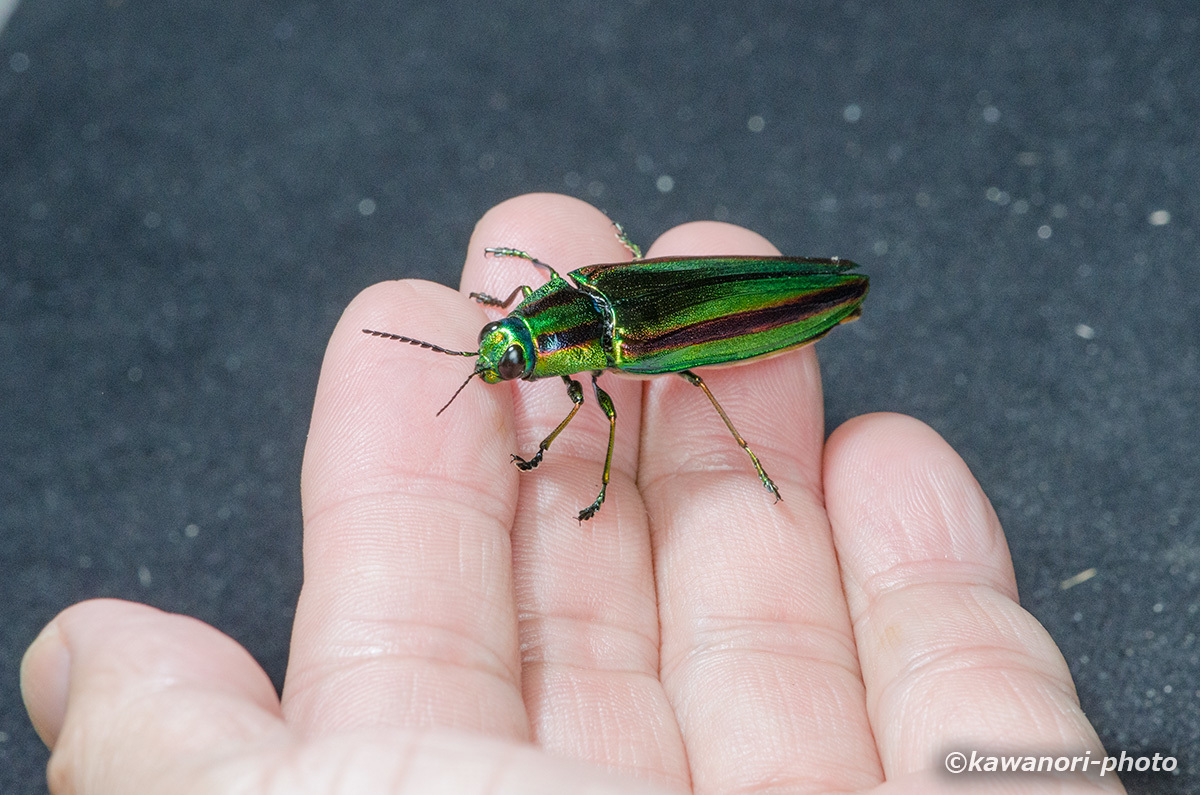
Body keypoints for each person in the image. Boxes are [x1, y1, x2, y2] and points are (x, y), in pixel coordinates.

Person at [20, 194, 1118, 793]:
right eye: (501, 350)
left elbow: (605, 408)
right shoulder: (573, 304)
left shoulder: (607, 331)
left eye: (506, 351)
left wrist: (584, 478)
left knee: (682, 389)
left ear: (536, 332)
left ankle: (786, 358)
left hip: (734, 312)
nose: (502, 361)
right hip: (616, 298)